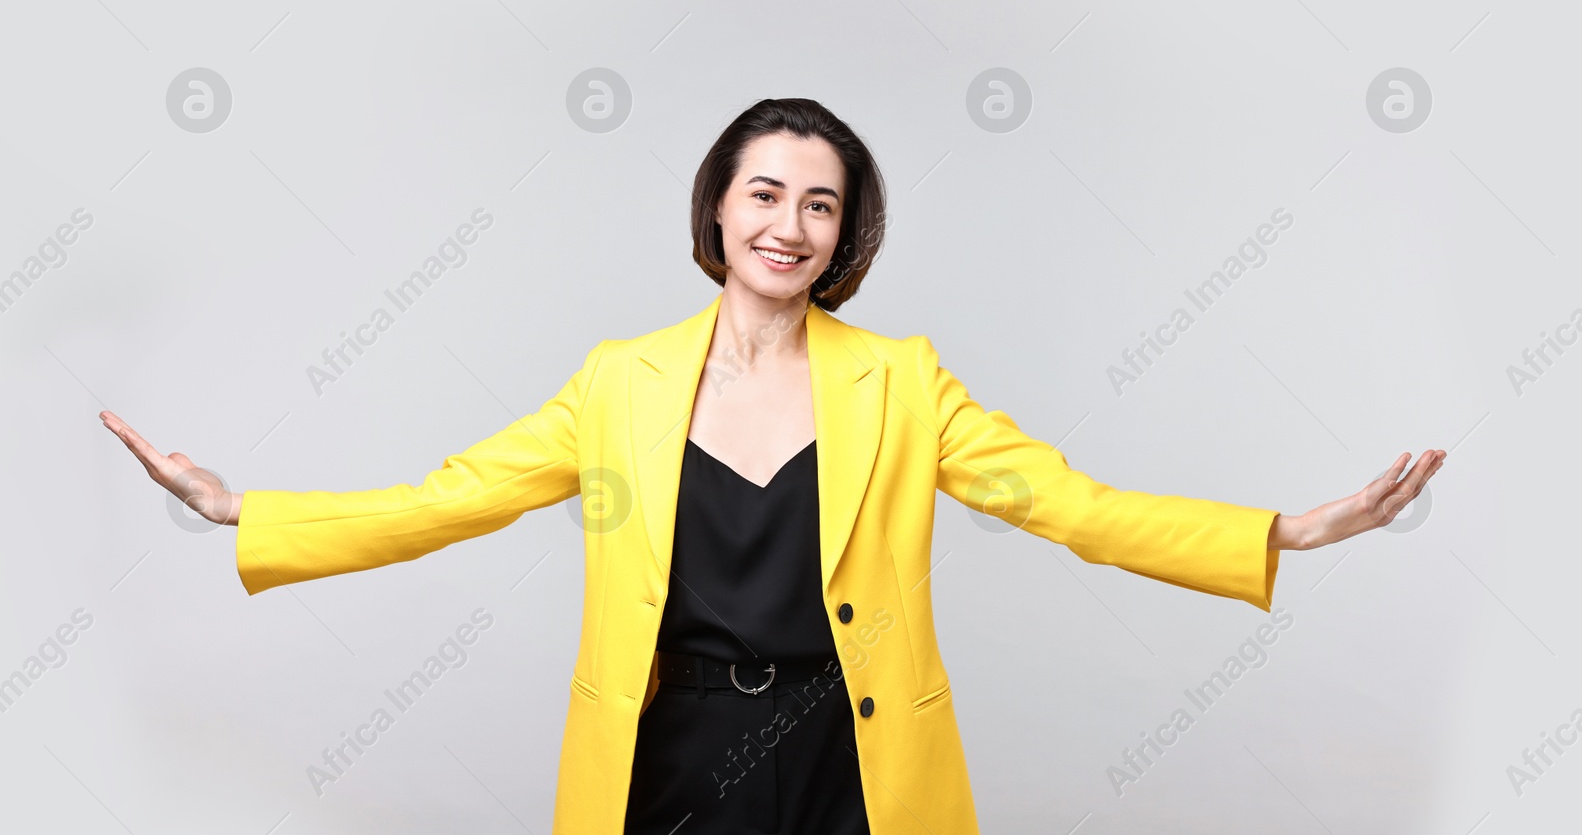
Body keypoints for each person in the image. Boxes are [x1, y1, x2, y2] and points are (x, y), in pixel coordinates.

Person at [101, 97, 1446, 834]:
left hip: (847, 756)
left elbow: (1073, 507)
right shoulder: (617, 383)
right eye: (766, 192)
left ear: (845, 234)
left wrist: (1284, 532)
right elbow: (445, 501)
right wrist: (244, 512)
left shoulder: (901, 380)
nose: (790, 224)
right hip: (669, 756)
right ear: (718, 207)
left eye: (822, 203)